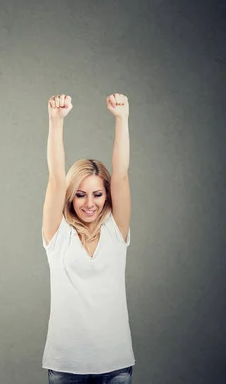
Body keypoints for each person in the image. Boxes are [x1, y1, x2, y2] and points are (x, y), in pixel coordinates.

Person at [41, 93, 135, 384]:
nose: (89, 203)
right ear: (71, 197)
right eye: (80, 194)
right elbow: (56, 178)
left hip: (115, 363)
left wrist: (122, 119)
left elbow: (120, 176)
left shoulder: (115, 231)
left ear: (107, 195)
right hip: (66, 365)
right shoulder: (58, 234)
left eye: (97, 194)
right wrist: (55, 122)